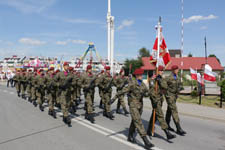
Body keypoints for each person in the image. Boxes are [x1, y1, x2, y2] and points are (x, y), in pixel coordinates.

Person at [110, 68, 154, 150]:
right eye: (140, 75)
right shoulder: (132, 83)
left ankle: (130, 135)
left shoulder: (143, 84)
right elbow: (122, 91)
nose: (141, 76)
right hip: (133, 105)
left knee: (135, 121)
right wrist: (113, 99)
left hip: (140, 105)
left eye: (142, 75)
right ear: (137, 75)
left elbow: (147, 94)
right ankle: (145, 141)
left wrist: (151, 87)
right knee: (138, 121)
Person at [147, 66, 176, 140]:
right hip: (155, 100)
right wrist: (154, 101)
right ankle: (167, 133)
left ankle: (149, 130)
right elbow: (151, 91)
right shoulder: (152, 79)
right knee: (160, 115)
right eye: (161, 71)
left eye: (162, 70)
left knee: (155, 115)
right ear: (157, 71)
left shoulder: (161, 78)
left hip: (160, 99)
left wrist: (160, 81)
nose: (162, 72)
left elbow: (165, 87)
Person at [165, 65, 186, 136]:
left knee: (169, 110)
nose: (178, 70)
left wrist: (180, 87)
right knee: (174, 110)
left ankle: (167, 124)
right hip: (170, 96)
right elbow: (163, 86)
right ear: (173, 70)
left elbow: (179, 85)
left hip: (175, 96)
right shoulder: (168, 78)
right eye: (176, 69)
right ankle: (178, 128)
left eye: (178, 69)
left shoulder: (177, 77)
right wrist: (167, 94)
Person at [54, 62, 73, 126]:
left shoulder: (70, 74)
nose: (67, 67)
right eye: (66, 66)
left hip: (68, 91)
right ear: (63, 66)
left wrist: (71, 85)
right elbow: (54, 81)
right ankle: (66, 116)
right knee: (64, 104)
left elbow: (74, 81)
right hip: (62, 91)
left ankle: (65, 117)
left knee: (68, 104)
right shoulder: (59, 74)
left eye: (68, 66)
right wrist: (59, 85)